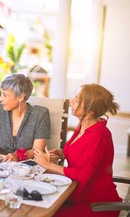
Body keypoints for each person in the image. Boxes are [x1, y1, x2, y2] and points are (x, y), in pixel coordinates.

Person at [34, 83, 122, 217]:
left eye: (77, 99)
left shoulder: (98, 136)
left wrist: (48, 165)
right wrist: (61, 153)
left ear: (91, 111)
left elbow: (82, 175)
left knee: (46, 212)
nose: (71, 101)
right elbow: (83, 154)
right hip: (78, 192)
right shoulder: (84, 126)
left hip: (96, 203)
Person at [0, 73, 50, 162]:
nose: (0, 99)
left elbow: (37, 150)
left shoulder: (40, 114)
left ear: (20, 97)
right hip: (0, 164)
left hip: (26, 168)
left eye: (5, 95)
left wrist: (17, 155)